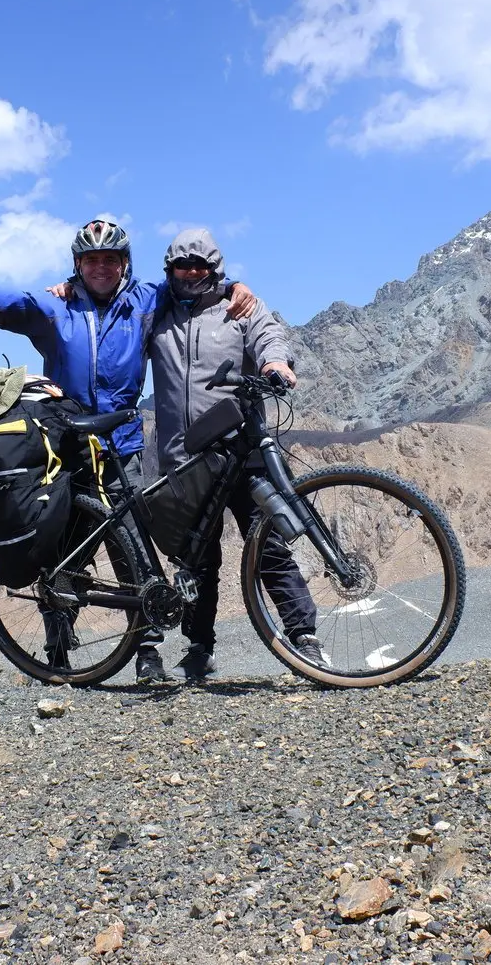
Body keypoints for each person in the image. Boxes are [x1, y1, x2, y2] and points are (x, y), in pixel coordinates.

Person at [0, 218, 256, 681]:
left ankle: (147, 651)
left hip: (121, 445)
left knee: (132, 550)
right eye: (91, 259)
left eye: (110, 259)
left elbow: (190, 282)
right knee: (63, 551)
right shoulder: (53, 308)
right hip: (66, 445)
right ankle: (57, 650)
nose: (101, 267)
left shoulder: (145, 302)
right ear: (78, 265)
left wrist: (234, 286)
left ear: (125, 264)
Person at [147, 227, 325, 681]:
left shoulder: (239, 306)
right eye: (181, 267)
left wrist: (274, 362)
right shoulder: (156, 313)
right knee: (196, 559)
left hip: (241, 451)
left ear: (215, 270)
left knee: (268, 546)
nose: (190, 274)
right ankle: (198, 648)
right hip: (184, 459)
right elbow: (114, 300)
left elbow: (269, 336)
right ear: (169, 271)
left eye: (200, 267)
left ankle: (304, 638)